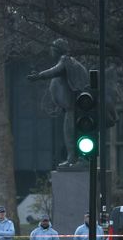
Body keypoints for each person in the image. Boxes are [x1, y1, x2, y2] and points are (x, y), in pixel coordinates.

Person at [26, 38, 89, 168]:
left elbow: (55, 70)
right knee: (72, 132)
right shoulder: (71, 62)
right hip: (72, 106)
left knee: (71, 132)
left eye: (52, 49)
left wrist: (39, 76)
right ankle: (74, 158)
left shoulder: (65, 60)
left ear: (57, 50)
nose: (51, 52)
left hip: (74, 107)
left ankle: (78, 159)